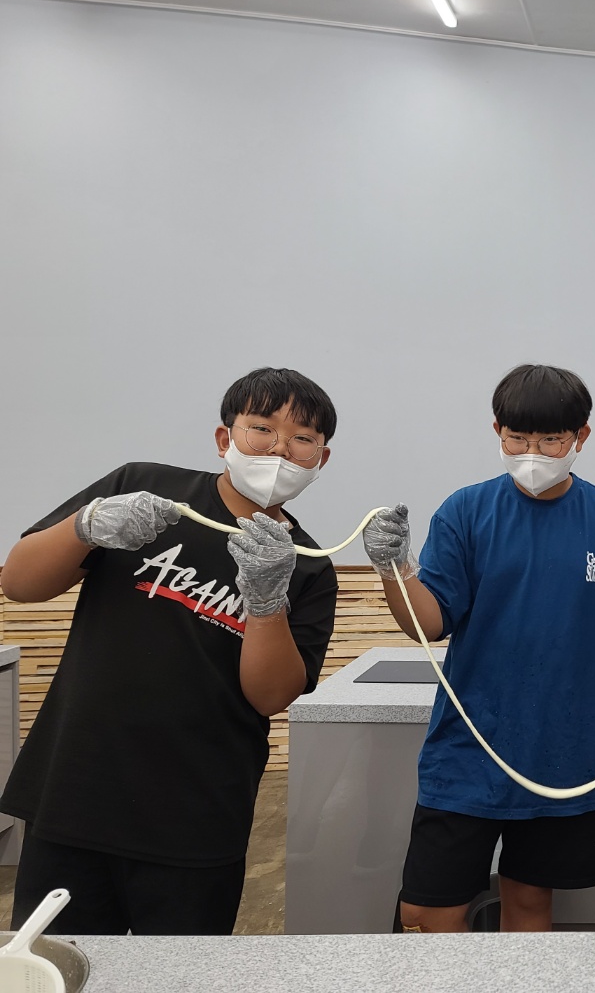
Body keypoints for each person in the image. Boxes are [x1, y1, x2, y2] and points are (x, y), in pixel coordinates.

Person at [362, 364, 595, 933]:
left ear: (581, 436)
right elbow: (428, 624)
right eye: (518, 438)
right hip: (467, 754)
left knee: (530, 906)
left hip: (564, 757)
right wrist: (394, 569)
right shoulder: (465, 511)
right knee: (425, 916)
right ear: (497, 432)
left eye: (551, 439)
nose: (533, 453)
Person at [0, 367, 340, 935]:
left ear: (321, 459)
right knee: (57, 963)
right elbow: (19, 584)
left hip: (199, 810)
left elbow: (271, 696)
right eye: (262, 428)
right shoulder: (142, 491)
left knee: (183, 969)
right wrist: (85, 525)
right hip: (77, 787)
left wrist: (265, 602)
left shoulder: (308, 566)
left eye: (302, 438)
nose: (280, 449)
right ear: (225, 438)